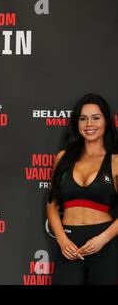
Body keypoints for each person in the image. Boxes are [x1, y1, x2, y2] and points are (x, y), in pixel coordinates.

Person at [47, 93, 118, 285]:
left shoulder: (115, 162)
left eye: (96, 118)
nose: (89, 124)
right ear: (77, 123)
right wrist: (62, 240)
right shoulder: (63, 158)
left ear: (106, 122)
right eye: (83, 118)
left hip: (104, 244)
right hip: (69, 246)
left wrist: (102, 240)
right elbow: (52, 204)